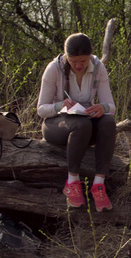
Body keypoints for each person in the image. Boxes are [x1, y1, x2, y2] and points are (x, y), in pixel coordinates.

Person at [37, 33, 116, 212]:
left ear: (90, 56)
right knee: (82, 125)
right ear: (66, 57)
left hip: (85, 124)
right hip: (56, 125)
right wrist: (60, 105)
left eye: (83, 61)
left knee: (109, 122)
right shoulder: (53, 69)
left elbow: (111, 106)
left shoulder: (98, 67)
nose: (79, 66)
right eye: (74, 62)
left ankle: (98, 184)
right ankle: (72, 181)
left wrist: (102, 107)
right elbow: (41, 109)